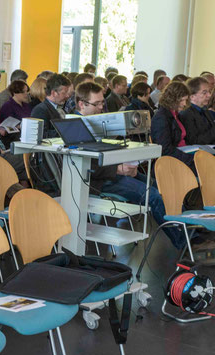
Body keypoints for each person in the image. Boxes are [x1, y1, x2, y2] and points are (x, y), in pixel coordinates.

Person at [75, 82, 185, 249]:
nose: (101, 107)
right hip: (98, 180)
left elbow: (103, 151)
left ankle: (188, 231)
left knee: (165, 188)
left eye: (102, 103)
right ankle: (183, 242)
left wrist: (123, 165)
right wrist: (118, 168)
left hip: (111, 171)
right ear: (81, 104)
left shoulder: (93, 121)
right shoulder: (73, 125)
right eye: (96, 104)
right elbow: (81, 163)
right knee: (154, 196)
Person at [150, 81, 194, 169]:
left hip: (181, 155)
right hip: (172, 162)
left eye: (185, 100)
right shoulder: (161, 118)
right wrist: (191, 159)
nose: (184, 104)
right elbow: (165, 149)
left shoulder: (175, 115)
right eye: (181, 100)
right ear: (172, 99)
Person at [31, 73, 72, 138]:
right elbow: (41, 135)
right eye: (64, 93)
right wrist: (67, 131)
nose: (67, 96)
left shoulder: (61, 108)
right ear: (53, 93)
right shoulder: (40, 110)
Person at [180, 77, 215, 145]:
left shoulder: (205, 110)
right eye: (204, 93)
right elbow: (194, 141)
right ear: (192, 96)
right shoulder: (187, 113)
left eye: (209, 92)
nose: (209, 95)